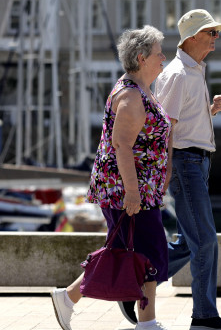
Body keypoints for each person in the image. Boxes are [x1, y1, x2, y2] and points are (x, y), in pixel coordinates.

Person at [119, 9, 221, 330]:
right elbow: (164, 128)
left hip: (196, 161)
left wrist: (208, 111)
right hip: (185, 162)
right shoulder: (176, 74)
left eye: (216, 32)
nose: (216, 38)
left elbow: (180, 123)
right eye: (210, 32)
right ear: (191, 37)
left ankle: (134, 287)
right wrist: (166, 171)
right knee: (205, 240)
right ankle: (204, 316)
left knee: (191, 241)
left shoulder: (193, 71)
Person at [51, 25, 172, 330]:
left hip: (135, 189)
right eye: (159, 53)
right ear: (142, 57)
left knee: (126, 249)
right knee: (151, 251)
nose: (164, 58)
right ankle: (146, 323)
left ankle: (67, 298)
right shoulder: (131, 96)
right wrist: (133, 192)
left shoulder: (141, 89)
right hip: (126, 190)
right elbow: (122, 146)